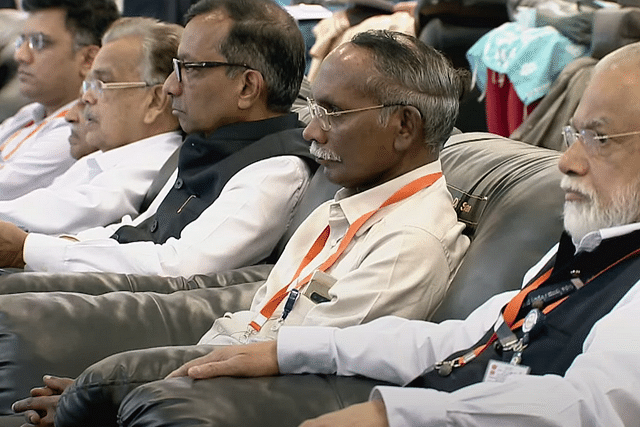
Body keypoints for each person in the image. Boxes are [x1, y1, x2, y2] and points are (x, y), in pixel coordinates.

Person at [86, 40, 640, 427]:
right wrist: (292, 350)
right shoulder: (587, 245)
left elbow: (596, 408)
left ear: (403, 127)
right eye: (572, 134)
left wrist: (396, 415)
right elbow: (462, 338)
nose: (566, 161)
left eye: (599, 139)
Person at [12, 28, 473, 426]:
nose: (311, 132)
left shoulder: (409, 241)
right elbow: (255, 326)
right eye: (313, 110)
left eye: (332, 112)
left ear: (404, 126)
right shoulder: (342, 206)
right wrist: (126, 388)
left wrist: (123, 392)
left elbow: (301, 362)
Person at [0, 0, 315, 277]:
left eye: (189, 69)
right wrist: (53, 247)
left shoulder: (276, 170)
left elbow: (179, 267)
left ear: (247, 87)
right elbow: (135, 231)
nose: (169, 87)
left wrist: (29, 249)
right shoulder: (208, 145)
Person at [0, 17, 183, 235]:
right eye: (89, 85)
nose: (87, 97)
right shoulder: (105, 155)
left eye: (101, 85)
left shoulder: (154, 162)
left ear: (155, 101)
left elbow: (62, 213)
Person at [0, 0, 120, 200]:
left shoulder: (77, 131)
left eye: (38, 42)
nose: (20, 55)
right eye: (22, 42)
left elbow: (3, 189)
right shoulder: (31, 112)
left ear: (88, 59)